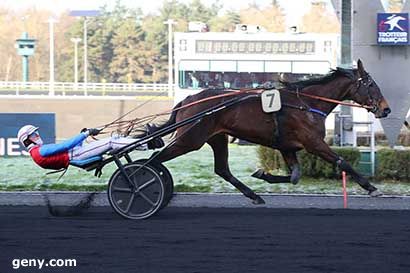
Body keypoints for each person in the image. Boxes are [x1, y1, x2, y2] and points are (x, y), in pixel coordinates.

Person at [17, 125, 164, 170]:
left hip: (76, 154)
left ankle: (145, 143)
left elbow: (67, 149)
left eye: (36, 133)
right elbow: (66, 146)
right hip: (77, 155)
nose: (37, 135)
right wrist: (86, 134)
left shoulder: (38, 153)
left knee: (116, 138)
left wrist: (82, 136)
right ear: (27, 140)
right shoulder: (39, 152)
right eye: (34, 134)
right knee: (111, 142)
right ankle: (148, 144)